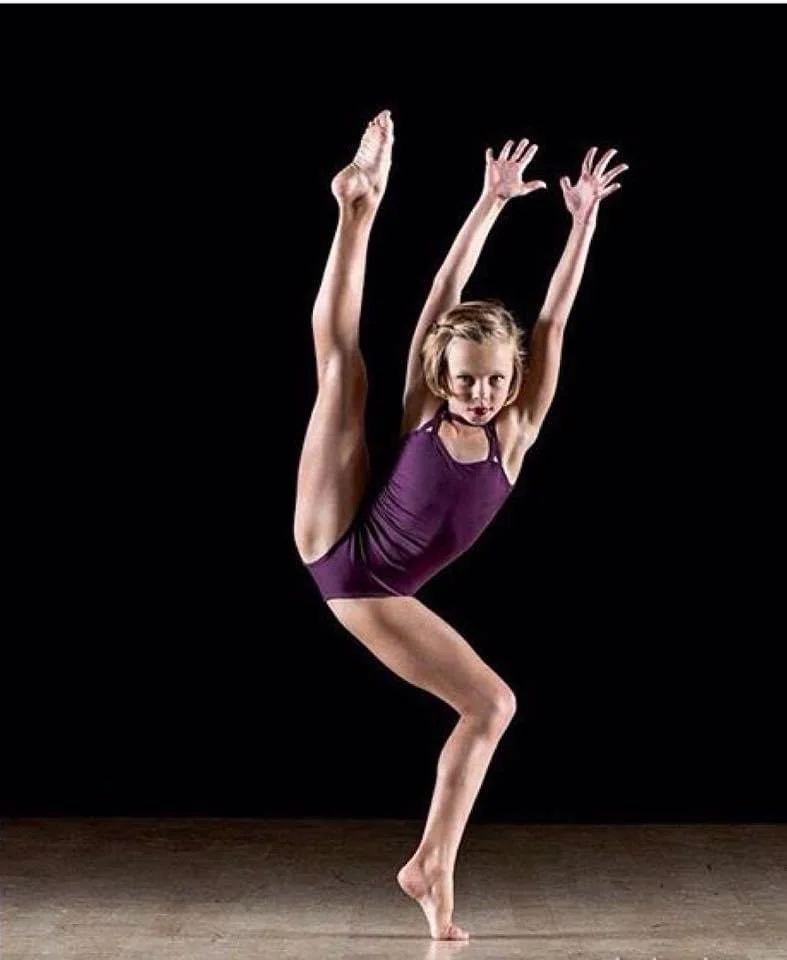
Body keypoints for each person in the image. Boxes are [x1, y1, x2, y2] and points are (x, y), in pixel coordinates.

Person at [293, 109, 627, 940]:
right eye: (464, 380)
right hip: (346, 546)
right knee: (343, 372)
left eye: (491, 381)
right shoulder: (424, 408)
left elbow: (549, 324)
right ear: (444, 376)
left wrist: (578, 224)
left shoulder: (514, 434)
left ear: (511, 380)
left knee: (488, 706)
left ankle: (431, 864)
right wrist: (487, 205)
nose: (478, 393)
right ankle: (357, 205)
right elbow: (441, 296)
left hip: (366, 580)